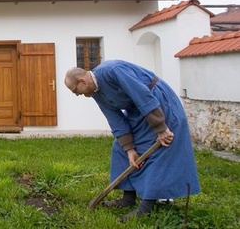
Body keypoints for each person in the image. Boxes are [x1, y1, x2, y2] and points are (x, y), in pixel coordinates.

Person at [64, 60, 200, 221]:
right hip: (138, 111)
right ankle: (128, 198)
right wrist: (129, 149)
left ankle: (147, 204)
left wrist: (161, 128)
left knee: (160, 148)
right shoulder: (96, 92)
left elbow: (142, 95)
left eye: (75, 91)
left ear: (82, 81)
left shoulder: (112, 71)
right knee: (120, 148)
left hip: (157, 104)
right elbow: (115, 119)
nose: (77, 95)